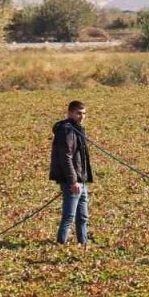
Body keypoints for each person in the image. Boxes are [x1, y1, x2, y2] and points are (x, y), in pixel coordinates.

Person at [49, 100, 92, 246]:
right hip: (71, 181)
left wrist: (81, 179)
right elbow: (65, 157)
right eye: (78, 113)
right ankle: (61, 244)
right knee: (69, 216)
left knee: (83, 216)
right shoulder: (66, 130)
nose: (82, 116)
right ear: (70, 113)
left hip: (82, 179)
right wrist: (73, 181)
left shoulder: (77, 129)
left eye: (84, 113)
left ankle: (83, 243)